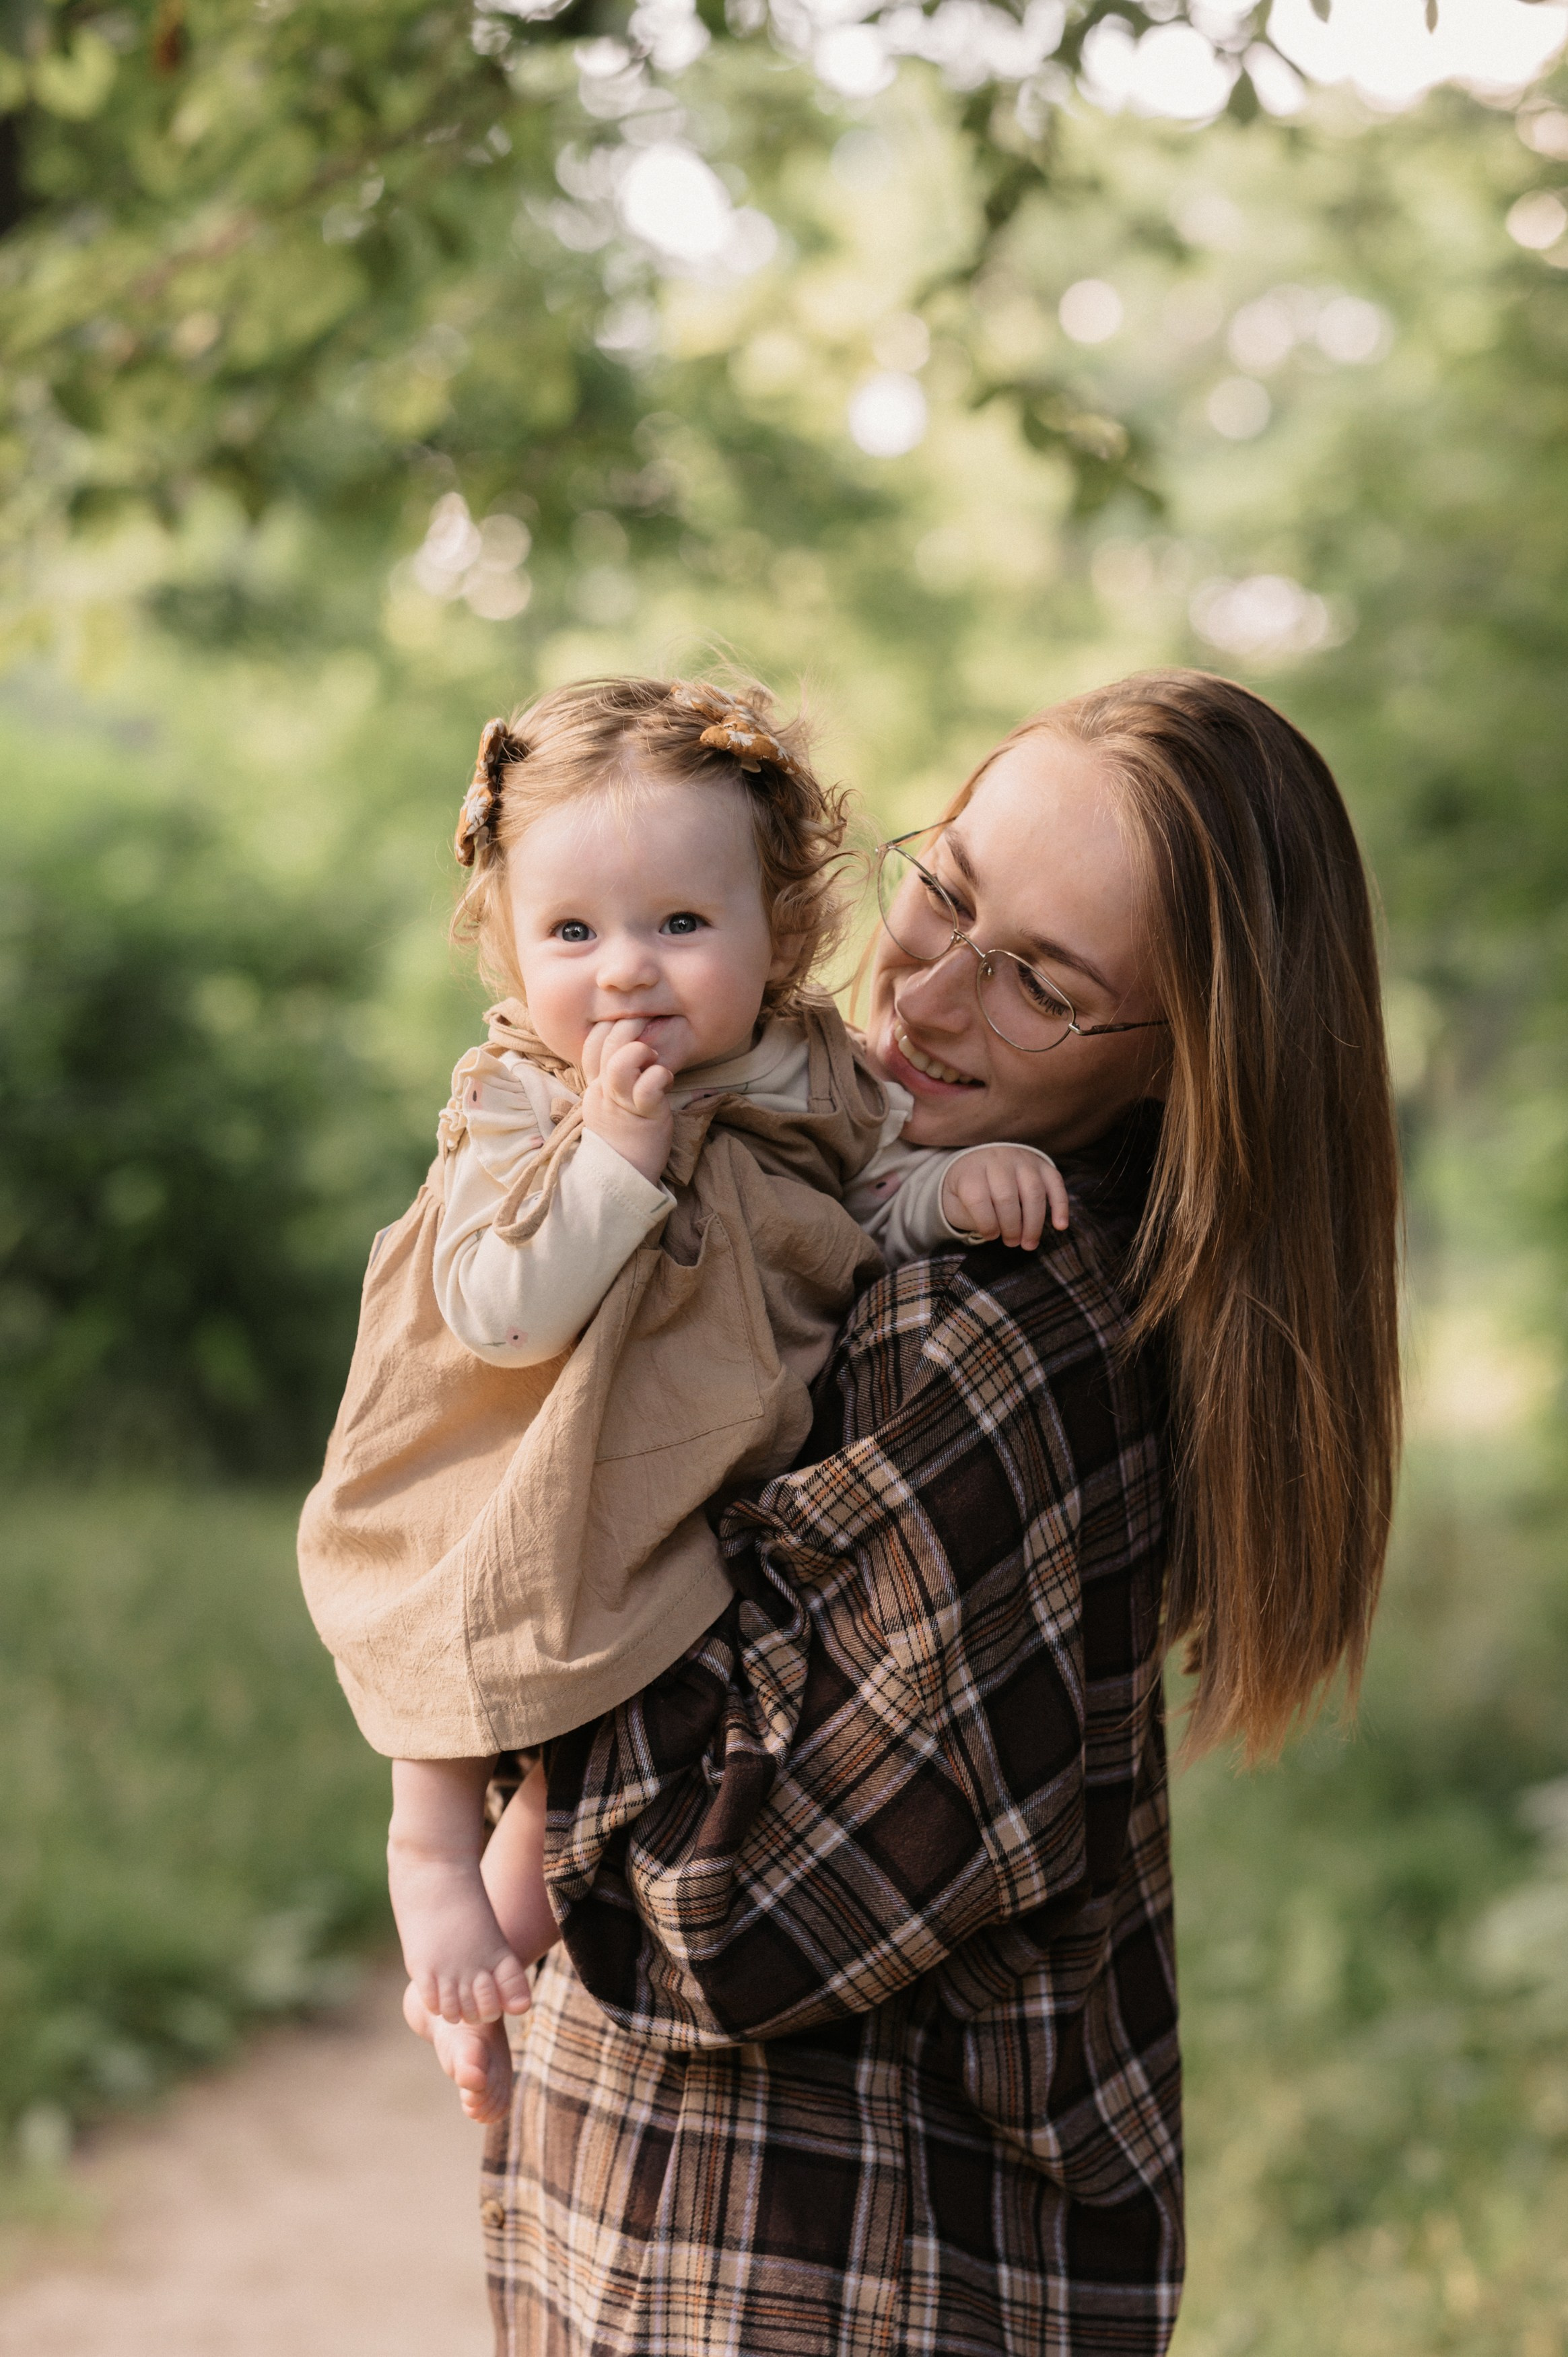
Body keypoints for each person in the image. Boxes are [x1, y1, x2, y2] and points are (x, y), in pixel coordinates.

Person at [472, 669, 1402, 2357]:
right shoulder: (826, 1194)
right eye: (947, 889)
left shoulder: (984, 1329)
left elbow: (729, 1914)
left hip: (807, 2279)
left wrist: (516, 1715)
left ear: (1183, 1069)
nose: (931, 990)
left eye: (1042, 982)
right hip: (707, 2247)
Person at [299, 675, 1075, 2121]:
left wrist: (953, 1188)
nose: (626, 973)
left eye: (678, 923)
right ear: (507, 939)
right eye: (572, 933)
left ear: (779, 928)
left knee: (627, 1706)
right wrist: (615, 1153)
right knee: (467, 1625)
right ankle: (425, 1858)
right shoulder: (522, 1096)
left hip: (685, 1472)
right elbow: (500, 1311)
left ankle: (490, 1978)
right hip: (523, 1451)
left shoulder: (817, 1075)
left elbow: (867, 1209)